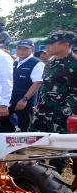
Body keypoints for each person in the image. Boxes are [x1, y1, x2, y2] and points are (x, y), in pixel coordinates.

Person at [28, 31, 77, 178]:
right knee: (34, 144)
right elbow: (46, 87)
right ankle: (34, 176)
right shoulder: (50, 63)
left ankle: (54, 180)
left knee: (59, 150)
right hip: (42, 112)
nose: (47, 47)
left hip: (62, 114)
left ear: (65, 45)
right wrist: (38, 105)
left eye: (51, 43)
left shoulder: (74, 65)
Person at [5, 40, 44, 133]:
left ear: (32, 49)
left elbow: (37, 83)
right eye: (19, 48)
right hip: (11, 99)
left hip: (25, 101)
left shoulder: (36, 63)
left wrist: (24, 99)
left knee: (25, 127)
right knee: (1, 121)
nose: (21, 51)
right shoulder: (15, 62)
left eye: (25, 49)